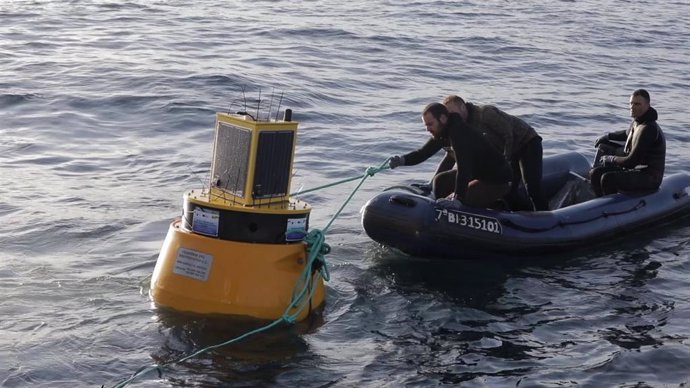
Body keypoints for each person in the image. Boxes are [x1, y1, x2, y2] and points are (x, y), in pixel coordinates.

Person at [388, 102, 512, 208]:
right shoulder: (442, 132)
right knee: (440, 181)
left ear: (442, 118)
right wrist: (401, 160)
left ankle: (495, 206)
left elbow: (464, 169)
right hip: (478, 175)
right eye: (426, 125)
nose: (427, 129)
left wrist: (457, 199)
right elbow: (422, 153)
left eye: (430, 124)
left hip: (496, 180)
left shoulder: (459, 133)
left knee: (465, 199)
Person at [443, 95, 547, 210]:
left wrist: (505, 160)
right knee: (507, 190)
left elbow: (508, 135)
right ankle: (524, 215)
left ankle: (545, 217)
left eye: (452, 112)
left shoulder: (485, 114)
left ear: (462, 107)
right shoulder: (461, 127)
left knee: (532, 187)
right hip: (506, 151)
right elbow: (453, 154)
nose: (451, 117)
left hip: (527, 143)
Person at [589, 89, 665, 196]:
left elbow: (631, 161)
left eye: (637, 104)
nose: (632, 107)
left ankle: (611, 208)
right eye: (631, 103)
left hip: (649, 177)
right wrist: (607, 136)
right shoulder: (638, 121)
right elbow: (626, 133)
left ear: (648, 106)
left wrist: (610, 158)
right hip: (636, 170)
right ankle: (598, 203)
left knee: (608, 178)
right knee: (595, 173)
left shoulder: (649, 129)